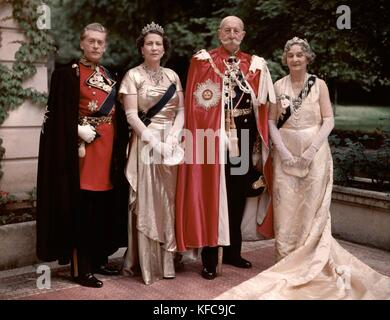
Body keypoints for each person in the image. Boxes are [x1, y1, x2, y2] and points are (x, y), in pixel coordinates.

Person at [216, 37, 390, 299]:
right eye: (291, 55)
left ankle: (311, 261)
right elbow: (272, 122)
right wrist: (284, 153)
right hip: (285, 156)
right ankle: (286, 260)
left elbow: (329, 120)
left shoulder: (319, 85)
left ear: (308, 57)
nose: (295, 59)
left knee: (311, 209)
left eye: (300, 55)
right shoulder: (277, 85)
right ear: (285, 59)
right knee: (286, 208)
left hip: (315, 155)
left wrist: (310, 151)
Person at [175, 16, 275, 280]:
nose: (231, 34)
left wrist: (256, 144)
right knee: (211, 193)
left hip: (241, 138)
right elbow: (196, 106)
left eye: (236, 30)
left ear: (243, 34)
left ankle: (232, 251)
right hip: (211, 139)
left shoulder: (254, 65)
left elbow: (261, 107)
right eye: (227, 30)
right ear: (220, 34)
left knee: (236, 194)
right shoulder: (203, 62)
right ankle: (210, 256)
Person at [36, 23, 129, 288]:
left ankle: (98, 259)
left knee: (101, 207)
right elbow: (55, 116)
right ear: (81, 43)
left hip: (108, 152)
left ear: (105, 45)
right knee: (81, 209)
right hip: (82, 151)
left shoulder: (109, 75)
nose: (96, 46)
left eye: (100, 42)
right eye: (91, 41)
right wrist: (76, 128)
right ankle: (81, 268)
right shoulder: (67, 75)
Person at [119, 22, 185, 285]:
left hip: (171, 146)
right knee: (148, 201)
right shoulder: (132, 76)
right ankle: (147, 263)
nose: (155, 47)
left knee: (169, 201)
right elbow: (131, 115)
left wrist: (172, 138)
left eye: (159, 43)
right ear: (142, 48)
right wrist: (155, 144)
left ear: (164, 47)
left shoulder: (173, 76)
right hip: (145, 143)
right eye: (150, 43)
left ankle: (169, 259)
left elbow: (181, 111)